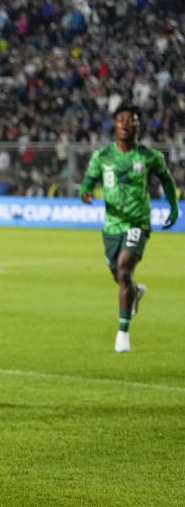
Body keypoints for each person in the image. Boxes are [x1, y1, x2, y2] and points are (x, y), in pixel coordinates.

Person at [79, 103, 179, 353]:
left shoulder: (149, 157)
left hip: (138, 222)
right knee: (119, 276)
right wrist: (85, 191)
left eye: (131, 120)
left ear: (138, 126)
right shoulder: (102, 157)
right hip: (112, 225)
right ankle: (136, 291)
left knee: (124, 268)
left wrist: (174, 207)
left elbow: (166, 179)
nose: (125, 123)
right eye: (121, 119)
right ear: (114, 125)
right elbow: (88, 181)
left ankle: (122, 334)